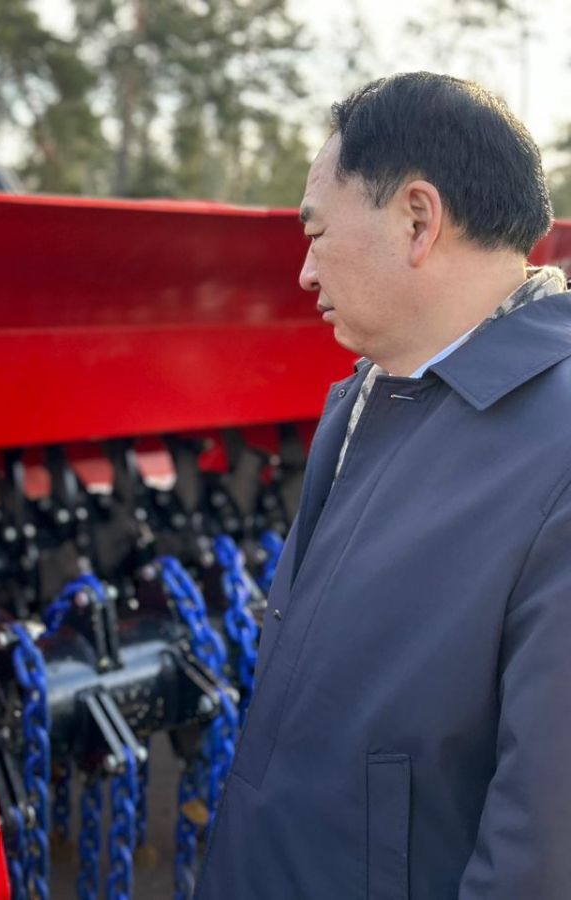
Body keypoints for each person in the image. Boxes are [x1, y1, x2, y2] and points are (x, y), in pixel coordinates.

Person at [195, 72, 571, 899]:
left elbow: (542, 851)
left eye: (317, 231)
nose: (302, 272)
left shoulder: (557, 453)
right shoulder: (369, 397)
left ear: (417, 219)